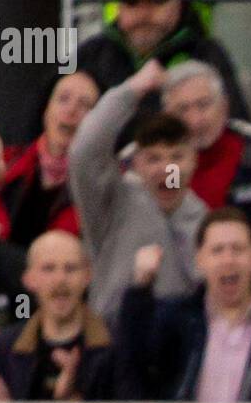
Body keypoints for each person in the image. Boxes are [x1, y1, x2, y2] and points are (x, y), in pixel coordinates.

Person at [114, 208, 251, 401]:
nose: (228, 260)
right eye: (217, 250)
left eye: (238, 249)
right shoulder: (174, 321)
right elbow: (131, 365)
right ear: (200, 260)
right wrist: (140, 287)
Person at [69, 61, 206, 324]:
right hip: (114, 343)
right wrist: (133, 89)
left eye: (176, 157)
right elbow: (85, 151)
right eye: (154, 159)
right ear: (137, 163)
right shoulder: (112, 203)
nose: (166, 169)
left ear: (193, 161)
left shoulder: (205, 221)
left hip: (178, 350)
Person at [73, 0, 251, 128]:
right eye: (133, 3)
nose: (143, 13)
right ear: (119, 9)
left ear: (176, 5)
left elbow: (237, 126)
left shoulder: (206, 54)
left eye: (154, 1)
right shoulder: (93, 54)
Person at [0, 232, 113, 402]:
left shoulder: (115, 345)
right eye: (48, 268)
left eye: (70, 268)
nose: (60, 279)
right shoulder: (3, 348)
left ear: (88, 276)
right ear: (28, 279)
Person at [0, 73, 98, 249]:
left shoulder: (101, 186)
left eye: (84, 105)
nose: (71, 110)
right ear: (46, 109)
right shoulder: (2, 161)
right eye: (63, 99)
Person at [161, 60, 251, 212]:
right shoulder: (141, 159)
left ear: (224, 106)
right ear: (166, 116)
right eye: (182, 109)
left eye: (203, 105)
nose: (194, 120)